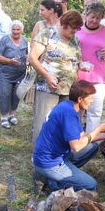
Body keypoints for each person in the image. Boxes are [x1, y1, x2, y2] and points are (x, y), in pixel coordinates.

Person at [33, 80, 105, 191]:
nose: (91, 102)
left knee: (93, 146)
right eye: (90, 99)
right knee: (90, 185)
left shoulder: (68, 106)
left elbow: (81, 136)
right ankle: (53, 182)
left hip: (56, 155)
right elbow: (76, 146)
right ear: (80, 99)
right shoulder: (68, 114)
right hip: (49, 162)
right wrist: (98, 129)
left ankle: (61, 176)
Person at [29, 10, 83, 142]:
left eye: (78, 28)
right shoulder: (47, 34)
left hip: (68, 90)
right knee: (44, 121)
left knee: (63, 122)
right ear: (64, 23)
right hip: (48, 88)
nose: (75, 31)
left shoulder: (74, 40)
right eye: (73, 27)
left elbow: (76, 59)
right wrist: (47, 76)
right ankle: (40, 155)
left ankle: (57, 154)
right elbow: (32, 58)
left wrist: (81, 65)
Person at [76, 2, 105, 132]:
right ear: (86, 15)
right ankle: (74, 138)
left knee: (95, 111)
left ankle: (91, 140)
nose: (94, 20)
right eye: (92, 17)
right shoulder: (77, 29)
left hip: (98, 77)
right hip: (79, 76)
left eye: (98, 18)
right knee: (77, 109)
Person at [0, 20, 28, 129]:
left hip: (20, 74)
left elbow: (27, 54)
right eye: (13, 29)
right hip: (5, 74)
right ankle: (4, 117)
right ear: (11, 30)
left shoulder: (24, 40)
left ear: (21, 30)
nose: (16, 31)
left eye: (18, 29)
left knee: (17, 94)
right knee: (5, 94)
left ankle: (12, 114)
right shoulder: (5, 39)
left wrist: (28, 59)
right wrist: (9, 61)